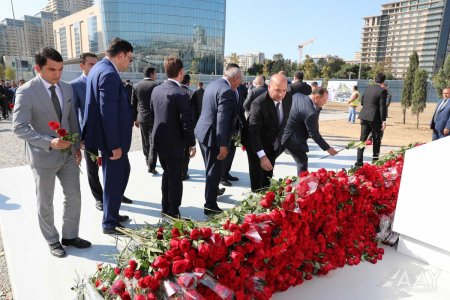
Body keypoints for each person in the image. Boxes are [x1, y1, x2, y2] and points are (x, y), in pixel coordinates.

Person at [12, 47, 91, 257]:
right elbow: (19, 127)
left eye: (61, 69)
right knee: (45, 200)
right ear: (38, 68)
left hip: (67, 156)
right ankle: (52, 240)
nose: (57, 74)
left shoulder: (67, 88)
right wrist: (49, 142)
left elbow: (72, 120)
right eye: (52, 69)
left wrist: (76, 148)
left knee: (74, 196)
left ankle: (70, 236)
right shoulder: (26, 91)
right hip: (42, 156)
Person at [82, 38, 134, 235]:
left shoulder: (98, 68)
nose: (129, 63)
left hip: (105, 137)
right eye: (129, 58)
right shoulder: (109, 73)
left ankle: (113, 211)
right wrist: (114, 145)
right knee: (114, 178)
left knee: (121, 173)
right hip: (111, 140)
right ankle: (109, 222)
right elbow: (107, 112)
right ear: (120, 55)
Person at [150, 57, 196, 218]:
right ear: (181, 72)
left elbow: (153, 113)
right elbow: (186, 122)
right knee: (175, 177)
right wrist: (191, 143)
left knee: (167, 173)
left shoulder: (156, 89)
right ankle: (173, 210)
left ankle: (165, 206)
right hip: (175, 143)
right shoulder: (181, 94)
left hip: (159, 140)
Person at [195, 66, 241, 215]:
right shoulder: (227, 91)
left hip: (203, 131)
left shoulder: (214, 84)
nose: (239, 84)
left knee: (211, 168)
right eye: (239, 80)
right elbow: (222, 120)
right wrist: (223, 145)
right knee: (213, 171)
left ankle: (214, 190)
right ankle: (210, 205)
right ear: (235, 78)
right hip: (213, 136)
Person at [247, 73, 292, 192]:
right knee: (258, 180)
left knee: (268, 178)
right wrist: (262, 156)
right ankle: (256, 203)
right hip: (257, 146)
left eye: (283, 90)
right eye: (277, 90)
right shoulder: (258, 104)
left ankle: (266, 199)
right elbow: (253, 133)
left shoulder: (288, 98)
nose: (281, 94)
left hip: (273, 144)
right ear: (269, 87)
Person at [282, 87, 338, 174]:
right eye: (324, 100)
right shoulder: (310, 112)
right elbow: (314, 134)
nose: (325, 103)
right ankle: (302, 185)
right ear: (316, 97)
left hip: (283, 132)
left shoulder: (298, 95)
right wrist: (328, 148)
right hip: (293, 138)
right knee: (302, 161)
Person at [220, 63, 246, 187]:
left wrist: (244, 124)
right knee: (225, 150)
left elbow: (240, 107)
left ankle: (226, 172)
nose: (240, 78)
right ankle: (221, 176)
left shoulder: (239, 88)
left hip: (235, 126)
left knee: (232, 151)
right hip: (225, 127)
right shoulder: (223, 87)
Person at [355, 73, 388, 166]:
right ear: (384, 81)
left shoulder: (367, 88)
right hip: (375, 118)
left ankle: (359, 161)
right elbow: (382, 107)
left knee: (362, 139)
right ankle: (375, 161)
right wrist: (383, 120)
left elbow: (362, 102)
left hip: (364, 115)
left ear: (374, 79)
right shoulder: (382, 91)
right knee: (376, 140)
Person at [131, 67, 159, 174]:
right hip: (154, 117)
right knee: (153, 141)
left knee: (145, 141)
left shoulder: (136, 86)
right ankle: (151, 165)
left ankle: (148, 160)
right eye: (155, 73)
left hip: (142, 118)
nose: (155, 75)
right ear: (152, 74)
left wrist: (134, 119)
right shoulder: (156, 85)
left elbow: (133, 104)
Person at [180, 74, 194, 180]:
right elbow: (192, 116)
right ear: (188, 82)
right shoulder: (191, 94)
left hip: (174, 128)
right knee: (186, 152)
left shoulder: (174, 91)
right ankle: (183, 173)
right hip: (186, 128)